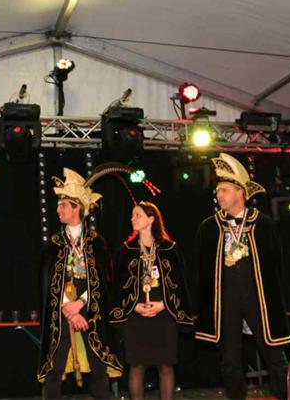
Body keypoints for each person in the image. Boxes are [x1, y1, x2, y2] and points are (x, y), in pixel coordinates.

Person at [195, 153, 290, 399]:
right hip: (226, 303)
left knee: (274, 356)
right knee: (229, 360)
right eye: (217, 191)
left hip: (259, 301)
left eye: (224, 190)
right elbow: (203, 273)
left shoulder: (263, 224)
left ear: (240, 192)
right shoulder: (210, 227)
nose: (219, 195)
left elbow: (278, 267)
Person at [38, 167, 122, 399]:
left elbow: (104, 281)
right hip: (61, 313)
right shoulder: (54, 243)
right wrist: (68, 307)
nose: (58, 210)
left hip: (91, 312)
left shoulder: (97, 242)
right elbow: (47, 282)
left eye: (63, 205)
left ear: (77, 208)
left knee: (99, 370)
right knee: (54, 370)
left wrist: (81, 304)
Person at [110, 201, 194, 400]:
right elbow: (117, 287)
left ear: (151, 219)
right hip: (136, 316)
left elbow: (182, 284)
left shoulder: (169, 249)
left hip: (165, 315)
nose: (132, 219)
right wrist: (134, 306)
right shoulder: (126, 251)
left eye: (137, 215)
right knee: (137, 366)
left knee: (165, 366)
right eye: (132, 215)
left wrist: (164, 304)